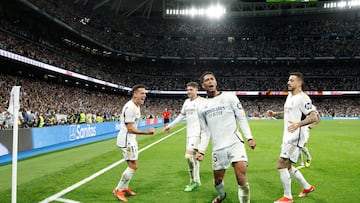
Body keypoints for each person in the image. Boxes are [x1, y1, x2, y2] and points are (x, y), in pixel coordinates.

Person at [195, 72, 256, 203]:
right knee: (217, 181)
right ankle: (221, 195)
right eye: (207, 80)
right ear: (203, 85)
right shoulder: (201, 107)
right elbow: (205, 132)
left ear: (216, 82)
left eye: (212, 79)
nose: (210, 81)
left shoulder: (230, 97)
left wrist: (249, 137)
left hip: (235, 143)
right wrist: (201, 150)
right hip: (218, 148)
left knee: (241, 177)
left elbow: (241, 118)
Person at [266, 72, 319, 203]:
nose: (288, 82)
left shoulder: (303, 98)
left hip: (295, 137)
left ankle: (287, 197)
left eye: (292, 80)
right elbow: (288, 113)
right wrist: (275, 114)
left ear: (299, 83)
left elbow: (313, 116)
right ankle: (307, 187)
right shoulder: (290, 96)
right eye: (288, 80)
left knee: (281, 164)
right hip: (287, 136)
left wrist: (298, 124)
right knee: (288, 167)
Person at [113, 84, 155, 202]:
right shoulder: (130, 108)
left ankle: (125, 187)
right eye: (142, 93)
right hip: (127, 141)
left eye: (145, 93)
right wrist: (147, 132)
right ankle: (118, 189)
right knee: (133, 166)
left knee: (133, 165)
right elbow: (130, 129)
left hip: (131, 139)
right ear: (135, 94)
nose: (145, 95)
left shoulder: (136, 106)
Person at [163, 81, 206, 192]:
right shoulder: (186, 102)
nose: (188, 92)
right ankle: (198, 181)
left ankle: (193, 181)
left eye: (191, 89)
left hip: (198, 134)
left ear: (196, 90)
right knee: (194, 159)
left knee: (188, 157)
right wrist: (170, 126)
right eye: (187, 90)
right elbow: (181, 116)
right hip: (189, 134)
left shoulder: (202, 102)